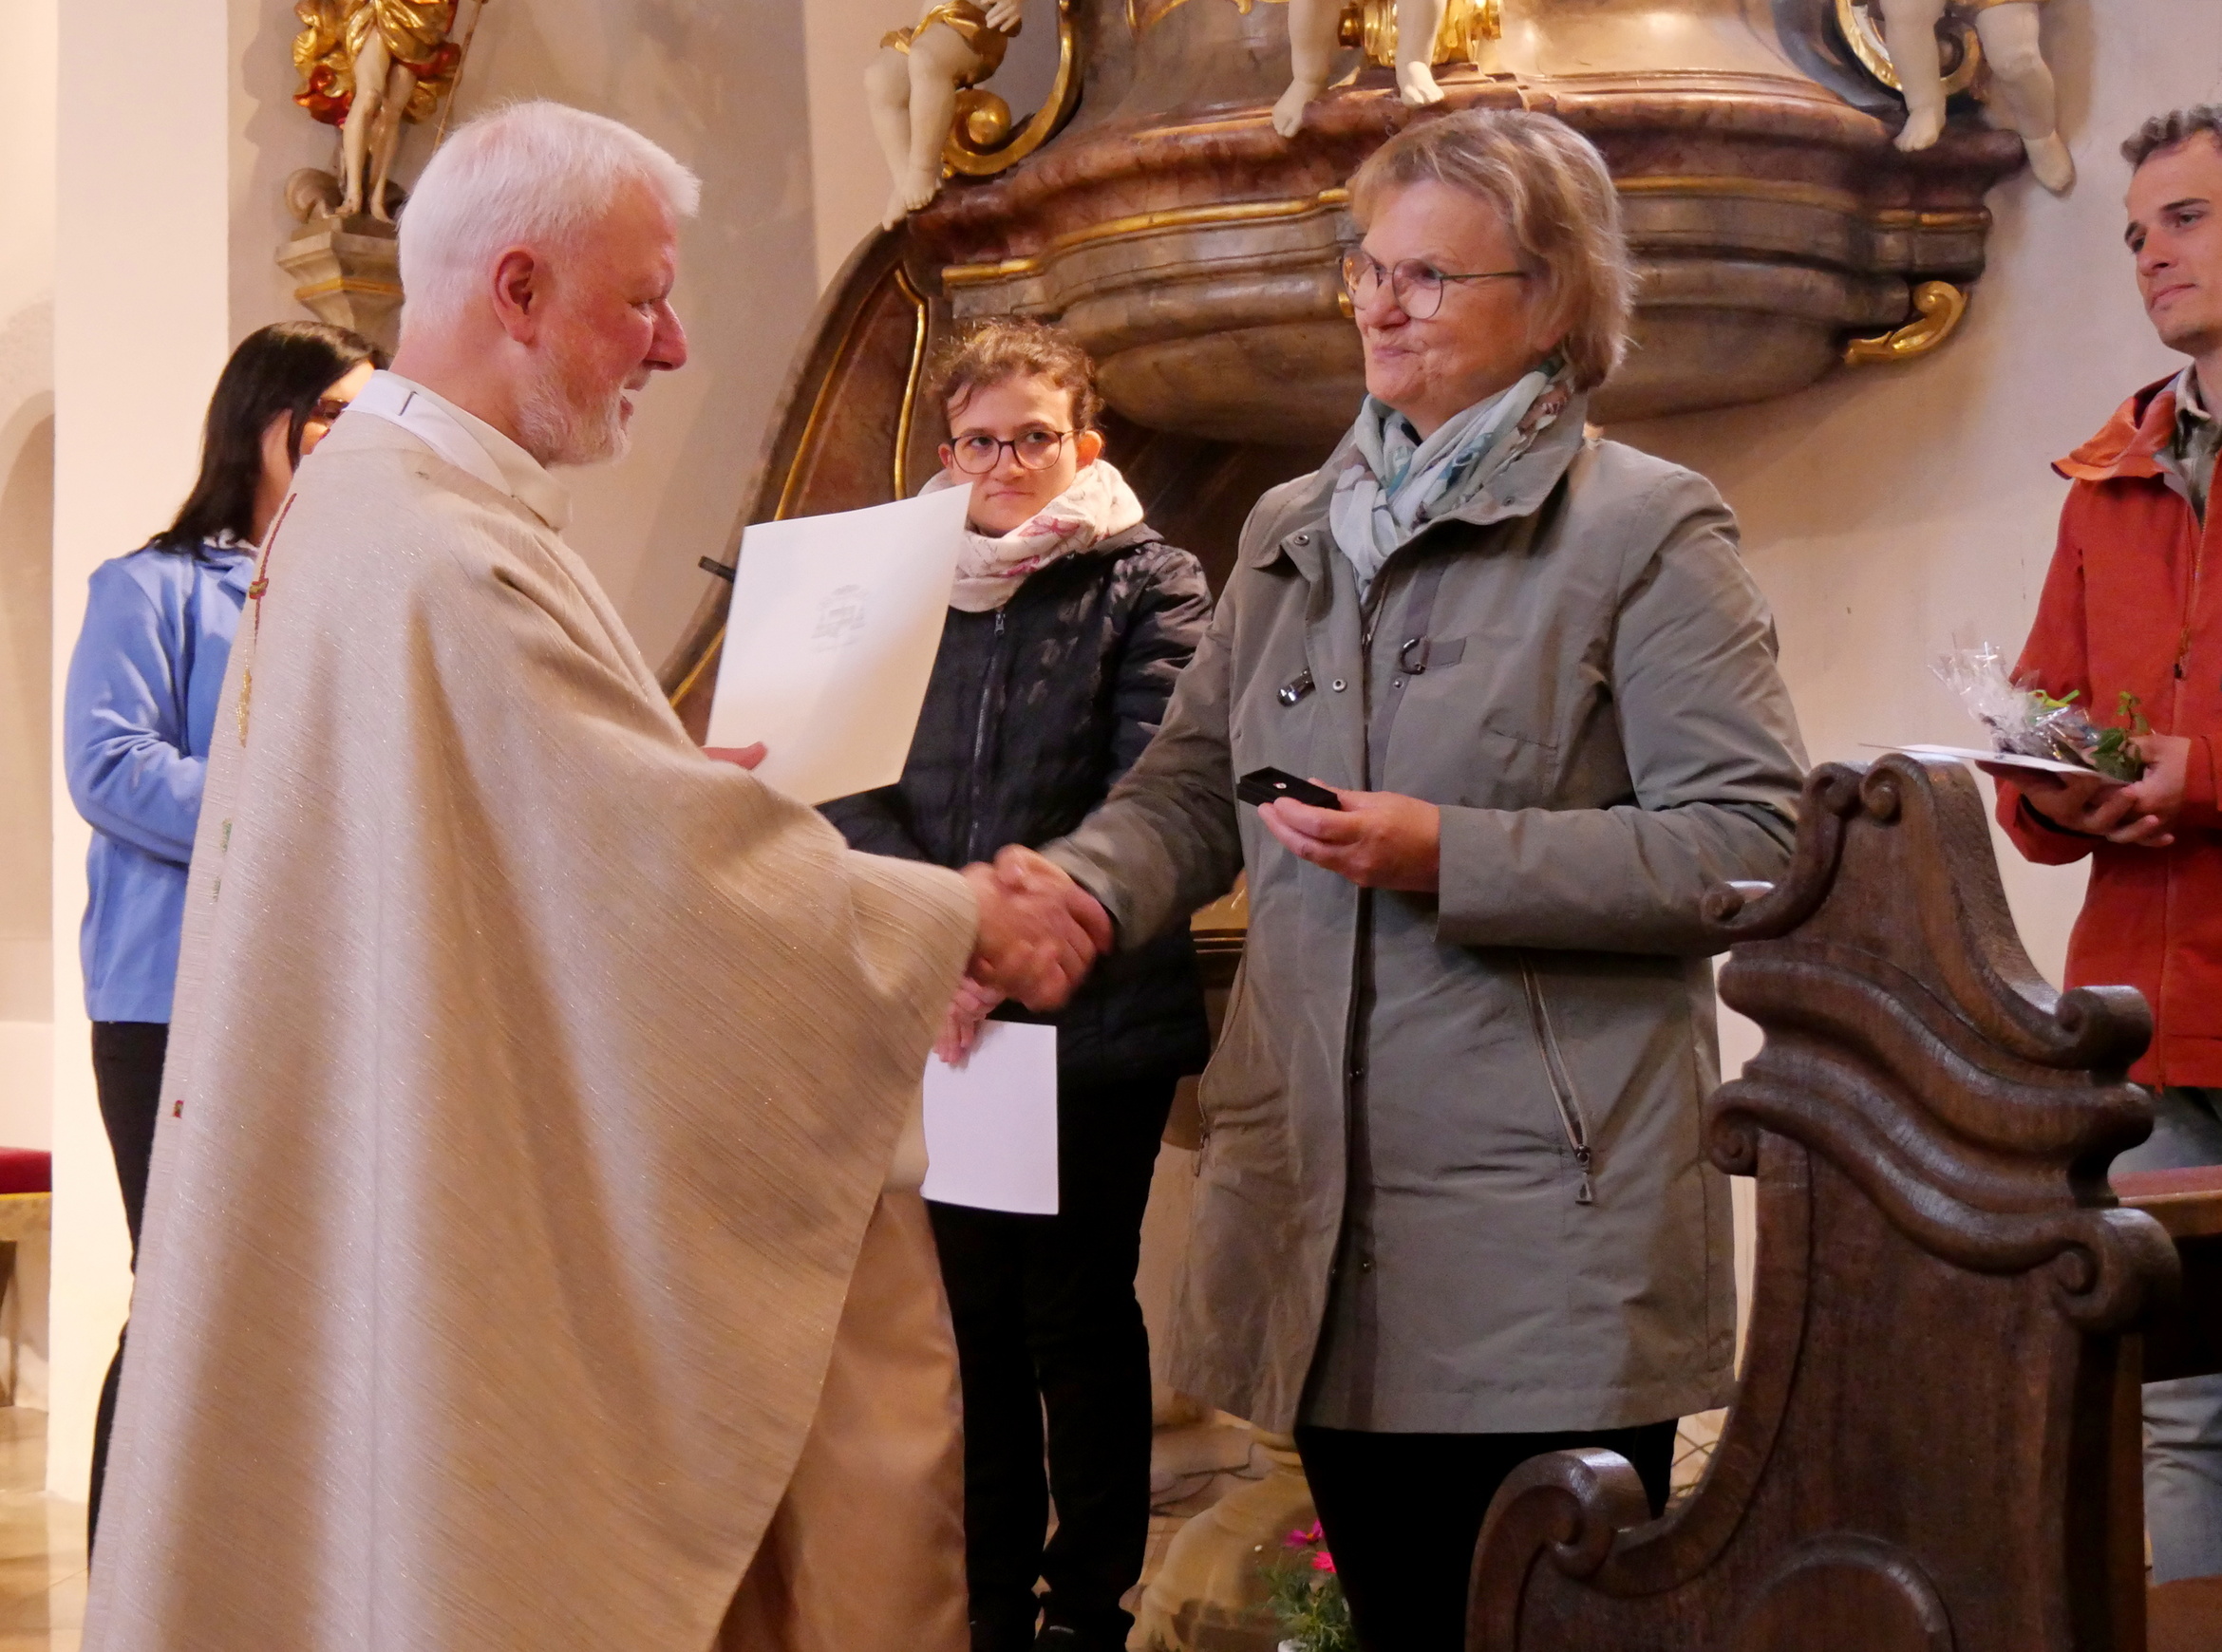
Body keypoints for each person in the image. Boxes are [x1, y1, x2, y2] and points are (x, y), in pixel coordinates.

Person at [81, 102, 1108, 1652]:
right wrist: (952, 911)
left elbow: (559, 824)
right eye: (644, 300)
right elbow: (645, 877)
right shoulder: (435, 545)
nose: (674, 345)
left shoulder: (396, 508)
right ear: (518, 290)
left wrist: (668, 789)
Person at [986, 108, 1808, 1651]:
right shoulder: (1294, 530)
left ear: (1552, 299)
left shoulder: (1644, 529)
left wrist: (1457, 853)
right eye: (1367, 267)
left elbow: (1751, 845)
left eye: (1430, 277)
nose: (1380, 304)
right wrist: (1079, 893)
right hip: (1324, 1213)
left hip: (1544, 1229)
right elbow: (1192, 783)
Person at [822, 319, 1213, 1652]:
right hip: (949, 1013)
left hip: (1092, 1009)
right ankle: (987, 1606)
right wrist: (942, 936)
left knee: (1076, 1316)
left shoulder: (1151, 580)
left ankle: (1087, 1608)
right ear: (948, 453)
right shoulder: (900, 585)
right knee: (974, 1326)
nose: (1005, 464)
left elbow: (1154, 782)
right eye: (980, 441)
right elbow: (850, 776)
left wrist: (1010, 940)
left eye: (1034, 438)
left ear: (1083, 445)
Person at [62, 319, 380, 1542]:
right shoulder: (149, 586)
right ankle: (128, 1583)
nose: (360, 440)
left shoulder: (359, 589)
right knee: (181, 1298)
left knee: (297, 1305)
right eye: (337, 414)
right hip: (170, 997)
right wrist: (294, 806)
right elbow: (109, 766)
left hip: (317, 986)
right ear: (266, 419)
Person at [1990, 104, 2222, 1586]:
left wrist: (2202, 777)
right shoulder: (2108, 478)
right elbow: (2041, 711)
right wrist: (2052, 788)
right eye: (2136, 235)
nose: (2151, 256)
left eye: (2185, 219)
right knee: (2178, 1404)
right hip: (2146, 1010)